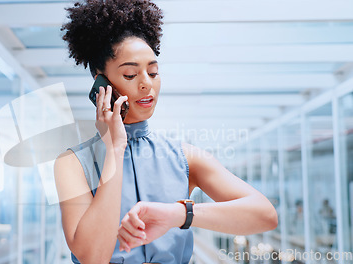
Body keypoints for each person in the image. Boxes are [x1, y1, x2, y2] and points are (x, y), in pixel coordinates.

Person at [54, 0, 278, 263]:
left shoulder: (185, 157)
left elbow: (265, 215)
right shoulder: (72, 164)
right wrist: (114, 148)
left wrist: (178, 214)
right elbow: (92, 255)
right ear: (101, 84)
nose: (146, 84)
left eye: (153, 72)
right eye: (130, 75)